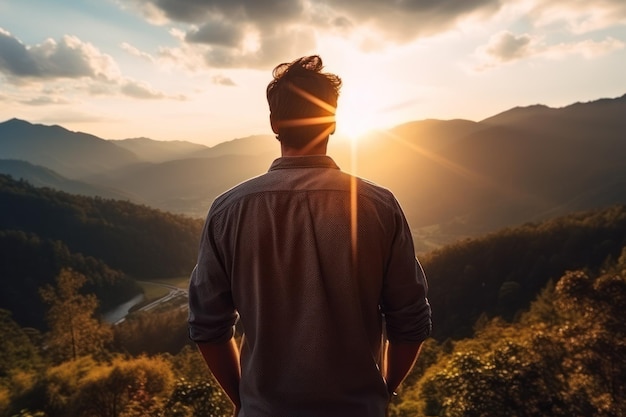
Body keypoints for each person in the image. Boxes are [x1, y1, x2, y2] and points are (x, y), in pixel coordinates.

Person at [188, 55, 431, 417]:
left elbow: (208, 326)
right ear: (332, 123)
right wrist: (384, 392)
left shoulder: (228, 211)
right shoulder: (378, 206)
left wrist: (245, 402)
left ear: (274, 123)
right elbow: (410, 321)